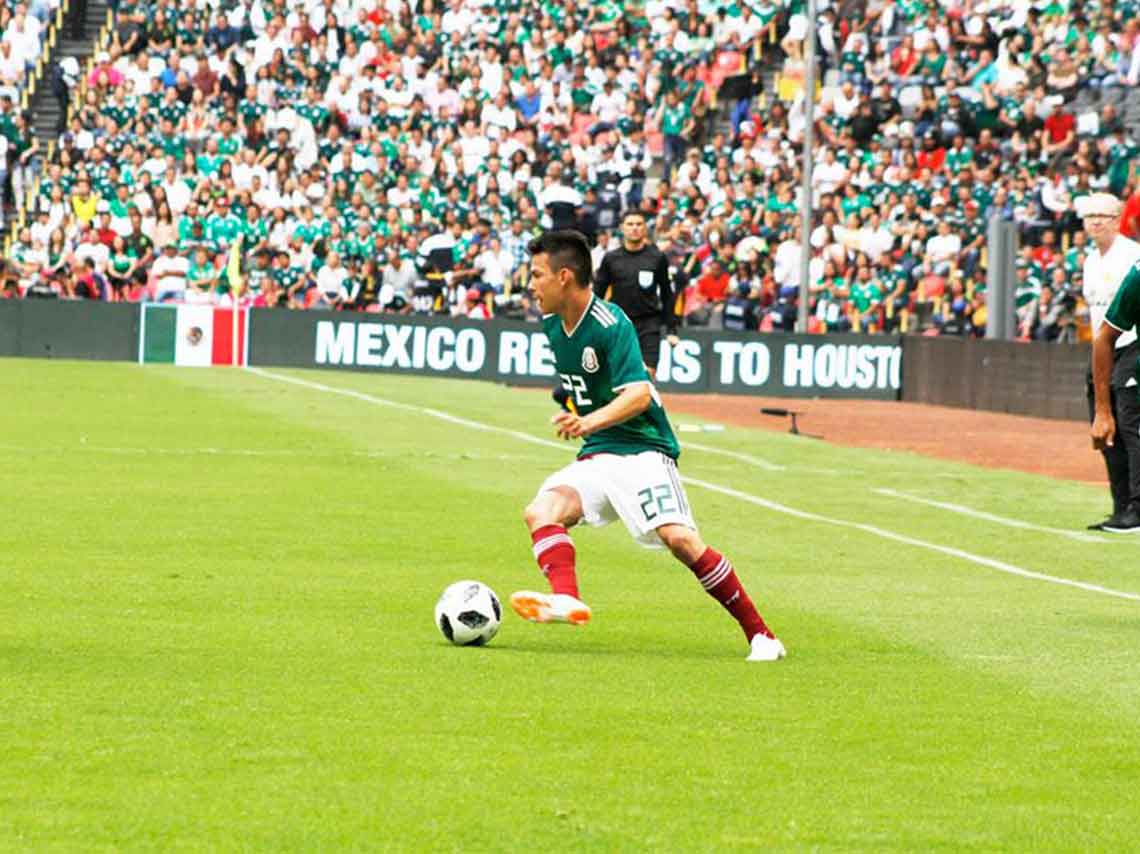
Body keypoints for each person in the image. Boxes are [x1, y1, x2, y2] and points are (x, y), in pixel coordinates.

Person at [510, 230, 786, 662]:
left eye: (536, 274)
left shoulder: (611, 322)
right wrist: (570, 405)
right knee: (541, 511)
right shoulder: (551, 325)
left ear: (564, 277)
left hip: (643, 450)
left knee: (680, 541)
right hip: (598, 454)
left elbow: (639, 394)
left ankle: (762, 636)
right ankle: (566, 598)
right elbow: (583, 384)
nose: (529, 284)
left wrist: (585, 420)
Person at [1088, 193, 1140, 534]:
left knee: (1132, 427)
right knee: (1112, 430)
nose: (1094, 221)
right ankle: (1124, 506)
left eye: (1101, 214)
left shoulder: (1131, 257)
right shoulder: (1091, 260)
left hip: (1130, 349)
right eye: (1089, 214)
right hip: (1108, 349)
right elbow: (1104, 330)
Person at [592, 210, 679, 380]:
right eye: (630, 224)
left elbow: (667, 295)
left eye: (639, 224)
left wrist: (671, 329)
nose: (635, 228)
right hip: (619, 325)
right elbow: (597, 295)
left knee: (647, 378)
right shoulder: (611, 258)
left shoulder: (657, 257)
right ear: (622, 228)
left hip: (649, 324)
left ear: (645, 228)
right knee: (618, 379)